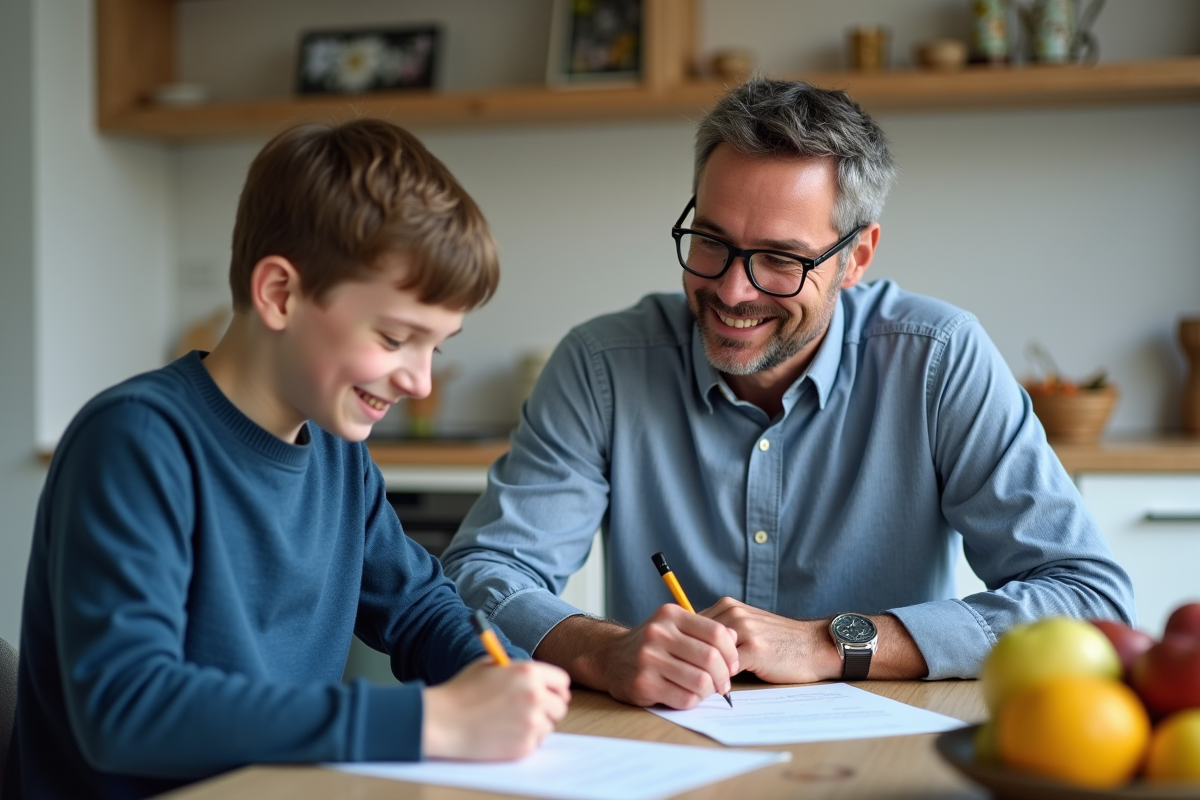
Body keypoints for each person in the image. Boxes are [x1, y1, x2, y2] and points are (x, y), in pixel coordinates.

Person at [441, 78, 1135, 710]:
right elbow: (483, 571)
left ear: (856, 257)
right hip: (666, 746)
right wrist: (598, 647)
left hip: (885, 754)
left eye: (780, 259)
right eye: (710, 242)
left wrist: (829, 643)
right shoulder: (603, 364)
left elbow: (1087, 599)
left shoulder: (938, 359)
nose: (732, 290)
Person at [3, 119, 570, 800]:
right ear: (279, 294)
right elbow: (128, 707)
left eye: (436, 348)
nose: (420, 382)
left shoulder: (337, 453)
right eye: (395, 338)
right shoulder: (135, 442)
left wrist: (491, 670)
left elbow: (418, 607)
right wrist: (430, 720)